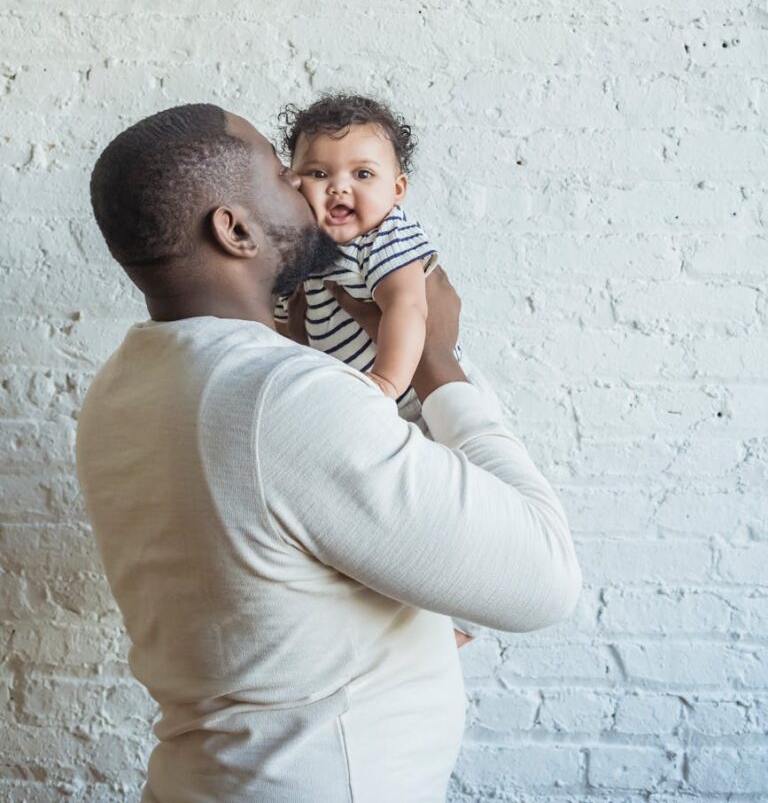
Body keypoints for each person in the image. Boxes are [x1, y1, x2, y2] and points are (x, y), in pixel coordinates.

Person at [76, 103, 582, 803]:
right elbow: (545, 579)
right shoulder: (283, 398)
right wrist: (437, 361)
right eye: (283, 175)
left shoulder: (122, 386)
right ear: (236, 229)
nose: (308, 187)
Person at [274, 93, 447, 418]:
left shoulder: (385, 234)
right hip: (353, 401)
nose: (339, 187)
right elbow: (281, 329)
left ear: (397, 189)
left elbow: (406, 306)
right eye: (319, 174)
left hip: (413, 397)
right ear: (294, 182)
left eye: (363, 174)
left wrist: (385, 382)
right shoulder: (301, 248)